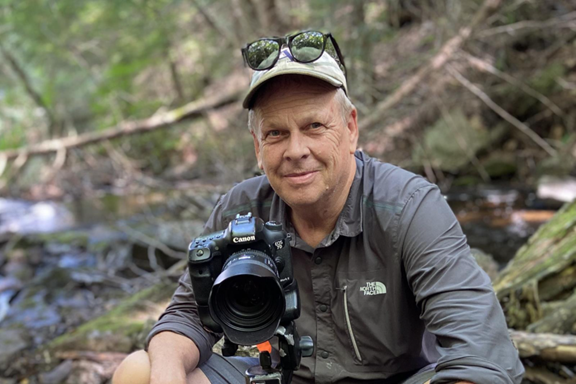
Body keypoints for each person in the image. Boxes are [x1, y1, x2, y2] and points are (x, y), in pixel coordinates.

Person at [112, 30, 524, 384]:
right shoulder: (240, 210)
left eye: (314, 126)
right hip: (277, 374)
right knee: (137, 371)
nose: (296, 151)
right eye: (276, 133)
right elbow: (186, 317)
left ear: (350, 129)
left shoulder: (409, 207)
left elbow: (482, 353)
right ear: (258, 148)